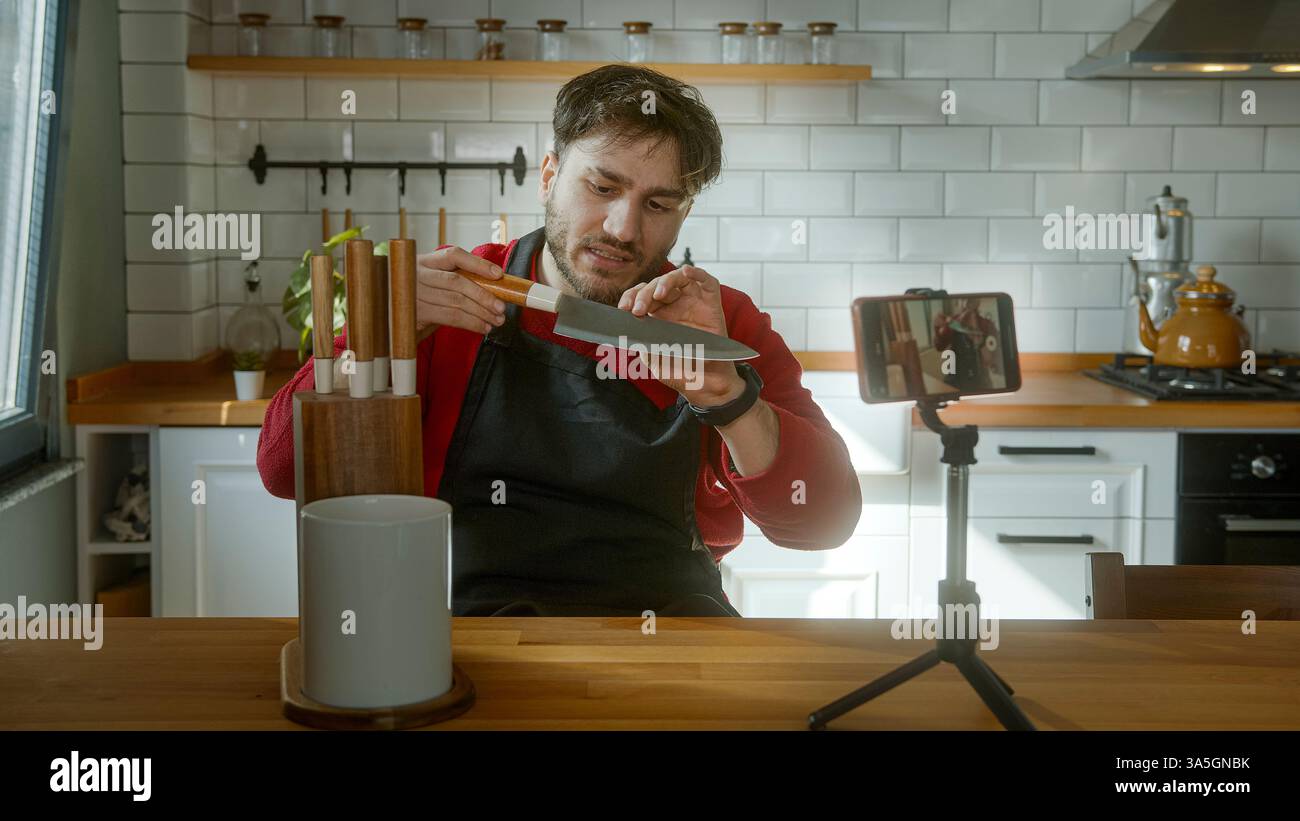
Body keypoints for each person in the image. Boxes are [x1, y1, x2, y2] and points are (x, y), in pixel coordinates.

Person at [257, 64, 862, 617]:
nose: (623, 229)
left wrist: (728, 399)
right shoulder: (446, 297)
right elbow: (284, 471)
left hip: (674, 640)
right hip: (467, 637)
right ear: (550, 176)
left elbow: (824, 522)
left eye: (658, 203)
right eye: (601, 187)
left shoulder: (721, 324)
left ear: (685, 213)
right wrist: (376, 336)